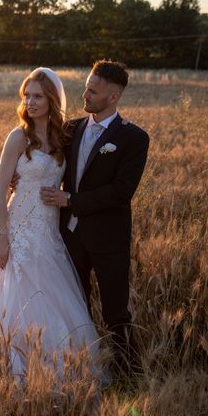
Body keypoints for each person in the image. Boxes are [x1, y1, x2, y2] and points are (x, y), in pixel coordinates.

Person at [0, 67, 103, 382]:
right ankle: (9, 362)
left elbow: (73, 177)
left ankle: (54, 362)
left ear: (52, 99)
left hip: (49, 232)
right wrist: (3, 238)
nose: (30, 102)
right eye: (26, 96)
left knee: (51, 296)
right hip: (17, 229)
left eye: (38, 96)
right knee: (12, 297)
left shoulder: (64, 138)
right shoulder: (18, 136)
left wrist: (63, 196)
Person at [40, 60, 149, 377]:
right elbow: (49, 164)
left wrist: (71, 200)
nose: (84, 93)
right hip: (69, 236)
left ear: (113, 97)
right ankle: (82, 367)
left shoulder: (133, 138)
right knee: (75, 305)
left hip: (109, 239)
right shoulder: (71, 129)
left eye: (93, 90)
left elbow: (121, 192)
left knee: (116, 310)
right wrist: (20, 179)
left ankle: (129, 373)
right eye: (86, 86)